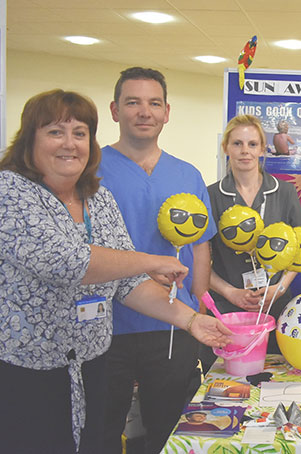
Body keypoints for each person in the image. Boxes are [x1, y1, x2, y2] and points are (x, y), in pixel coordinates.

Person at [0, 89, 230, 454]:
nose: (70, 144)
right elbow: (68, 261)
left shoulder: (97, 197)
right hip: (32, 368)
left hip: (92, 361)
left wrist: (190, 320)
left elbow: (127, 281)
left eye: (80, 133)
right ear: (30, 138)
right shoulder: (11, 192)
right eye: (55, 132)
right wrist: (149, 260)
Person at [98, 67, 218, 454]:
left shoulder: (187, 174)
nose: (144, 112)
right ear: (115, 110)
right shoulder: (90, 171)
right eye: (133, 102)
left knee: (168, 430)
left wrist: (197, 302)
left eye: (153, 103)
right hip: (105, 326)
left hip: (172, 326)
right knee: (101, 429)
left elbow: (201, 244)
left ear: (167, 112)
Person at [206, 115, 301, 368]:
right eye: (237, 143)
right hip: (226, 308)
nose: (245, 151)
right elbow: (197, 260)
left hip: (275, 304)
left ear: (263, 149)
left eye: (252, 144)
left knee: (274, 379)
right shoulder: (210, 195)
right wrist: (231, 292)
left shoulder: (284, 192)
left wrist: (279, 288)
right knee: (228, 381)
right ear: (226, 148)